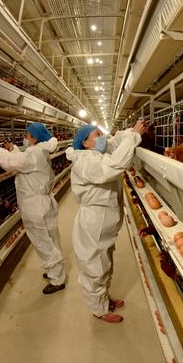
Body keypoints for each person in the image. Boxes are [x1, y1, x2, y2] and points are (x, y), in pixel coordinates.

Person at [66, 120, 146, 322]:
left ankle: (104, 298)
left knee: (104, 262)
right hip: (94, 221)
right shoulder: (86, 161)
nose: (103, 137)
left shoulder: (95, 153)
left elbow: (114, 142)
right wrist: (134, 136)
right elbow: (116, 165)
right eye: (97, 135)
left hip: (103, 219)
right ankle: (99, 309)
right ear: (85, 143)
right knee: (95, 267)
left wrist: (128, 133)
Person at [0, 123, 65, 294]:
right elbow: (24, 161)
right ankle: (56, 272)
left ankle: (57, 279)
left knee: (42, 241)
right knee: (51, 238)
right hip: (44, 202)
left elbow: (11, 163)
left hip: (35, 205)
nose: (26, 137)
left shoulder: (34, 153)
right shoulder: (41, 150)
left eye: (27, 135)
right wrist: (14, 148)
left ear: (35, 137)